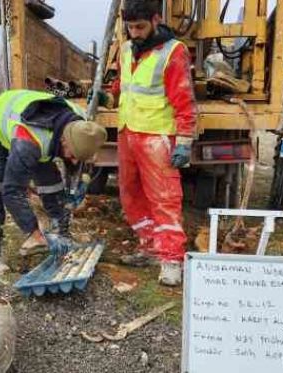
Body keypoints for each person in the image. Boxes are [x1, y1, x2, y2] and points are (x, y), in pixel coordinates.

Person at [93, 0, 197, 286]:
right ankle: (150, 246)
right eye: (130, 27)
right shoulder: (126, 49)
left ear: (155, 20)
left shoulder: (173, 51)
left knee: (164, 199)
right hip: (128, 133)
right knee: (129, 193)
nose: (135, 33)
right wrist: (108, 97)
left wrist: (184, 140)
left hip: (156, 136)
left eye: (140, 27)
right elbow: (123, 85)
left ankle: (172, 260)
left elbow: (184, 99)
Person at [0, 89, 107, 276]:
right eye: (72, 156)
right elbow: (12, 192)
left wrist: (79, 183)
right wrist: (34, 232)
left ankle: (62, 234)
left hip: (39, 130)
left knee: (51, 183)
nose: (74, 161)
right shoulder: (31, 141)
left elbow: (82, 159)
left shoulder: (82, 125)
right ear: (64, 142)